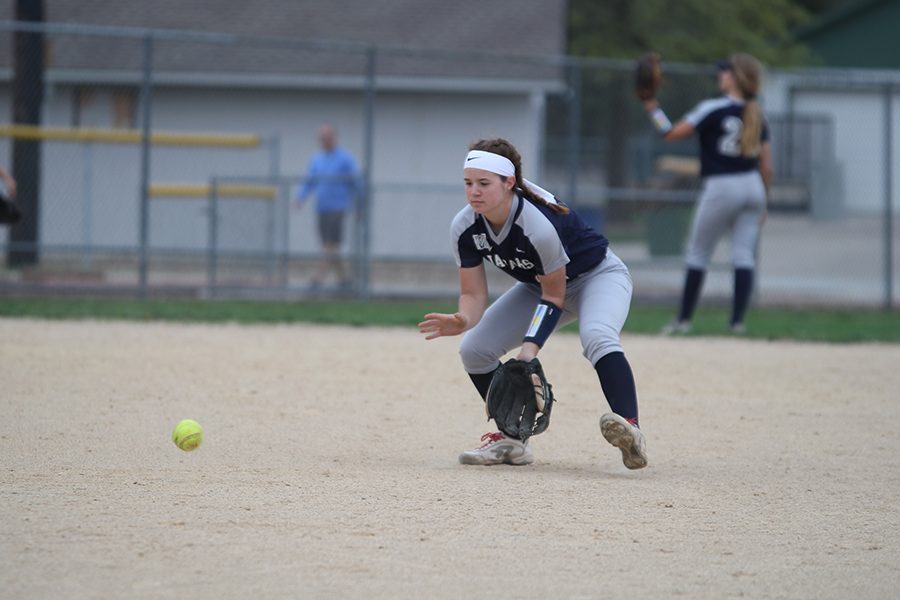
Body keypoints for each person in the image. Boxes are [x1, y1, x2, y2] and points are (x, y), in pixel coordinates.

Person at [418, 138, 647, 470]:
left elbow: (556, 297)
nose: (474, 192)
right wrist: (463, 319)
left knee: (597, 335)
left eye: (484, 183)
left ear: (509, 183)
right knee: (474, 349)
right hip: (539, 286)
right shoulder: (465, 227)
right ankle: (511, 440)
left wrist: (529, 350)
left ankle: (631, 428)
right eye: (468, 183)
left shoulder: (536, 223)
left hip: (597, 277)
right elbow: (473, 296)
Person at [641, 53, 773, 335]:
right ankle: (737, 324)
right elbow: (767, 165)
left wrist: (652, 106)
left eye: (725, 72)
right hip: (753, 186)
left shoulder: (713, 108)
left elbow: (670, 133)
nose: (720, 76)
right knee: (743, 256)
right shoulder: (756, 112)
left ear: (736, 78)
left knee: (698, 254)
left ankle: (683, 321)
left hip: (722, 185)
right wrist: (765, 201)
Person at [295, 124, 359, 291]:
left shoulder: (345, 159)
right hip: (322, 208)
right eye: (321, 138)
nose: (323, 141)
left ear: (333, 138)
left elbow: (356, 183)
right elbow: (310, 181)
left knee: (330, 245)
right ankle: (346, 280)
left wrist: (360, 204)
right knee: (330, 246)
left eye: (326, 137)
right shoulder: (317, 159)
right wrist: (300, 197)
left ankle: (317, 278)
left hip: (338, 207)